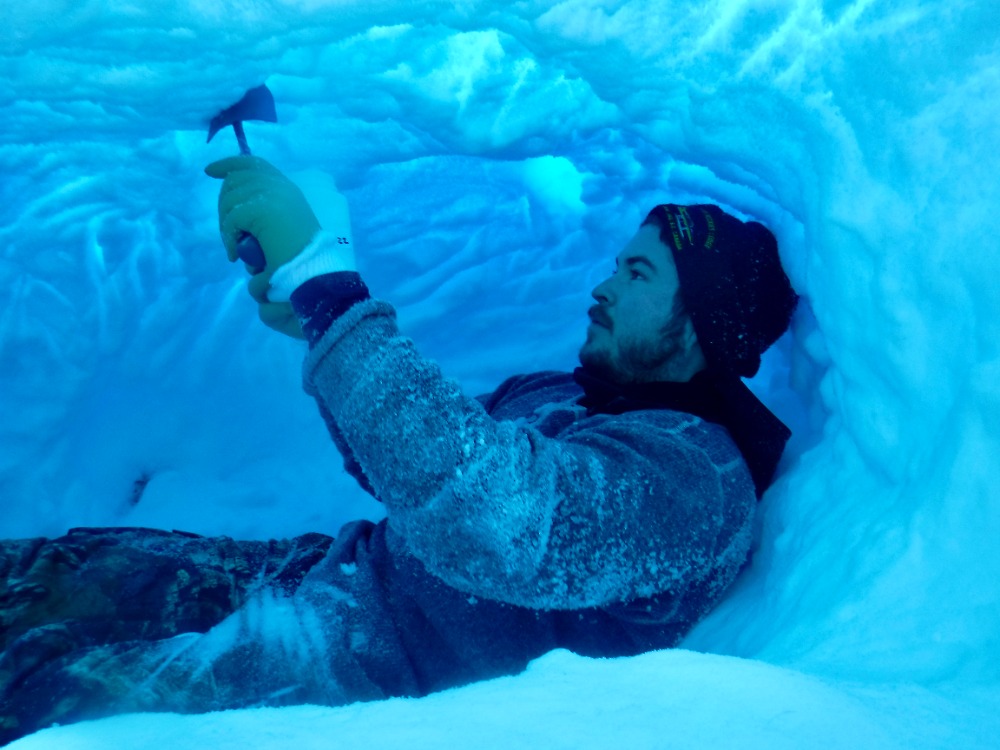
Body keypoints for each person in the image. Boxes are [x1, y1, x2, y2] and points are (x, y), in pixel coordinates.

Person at [0, 157, 797, 742]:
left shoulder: (696, 480)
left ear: (697, 322)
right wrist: (319, 321)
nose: (603, 286)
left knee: (51, 702)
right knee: (53, 577)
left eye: (637, 272)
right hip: (323, 573)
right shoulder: (571, 393)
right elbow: (412, 475)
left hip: (358, 668)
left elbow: (494, 522)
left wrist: (331, 288)